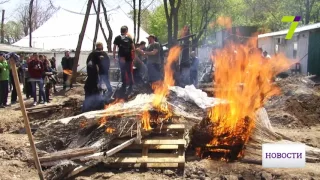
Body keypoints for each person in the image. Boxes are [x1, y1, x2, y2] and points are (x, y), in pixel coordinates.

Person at [113, 26, 135, 94]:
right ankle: (131, 86)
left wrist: (114, 57)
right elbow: (133, 48)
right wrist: (132, 56)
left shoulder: (117, 37)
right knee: (129, 71)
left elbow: (114, 48)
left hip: (121, 57)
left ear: (121, 31)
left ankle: (124, 86)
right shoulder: (129, 38)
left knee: (123, 71)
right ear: (126, 31)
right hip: (128, 57)